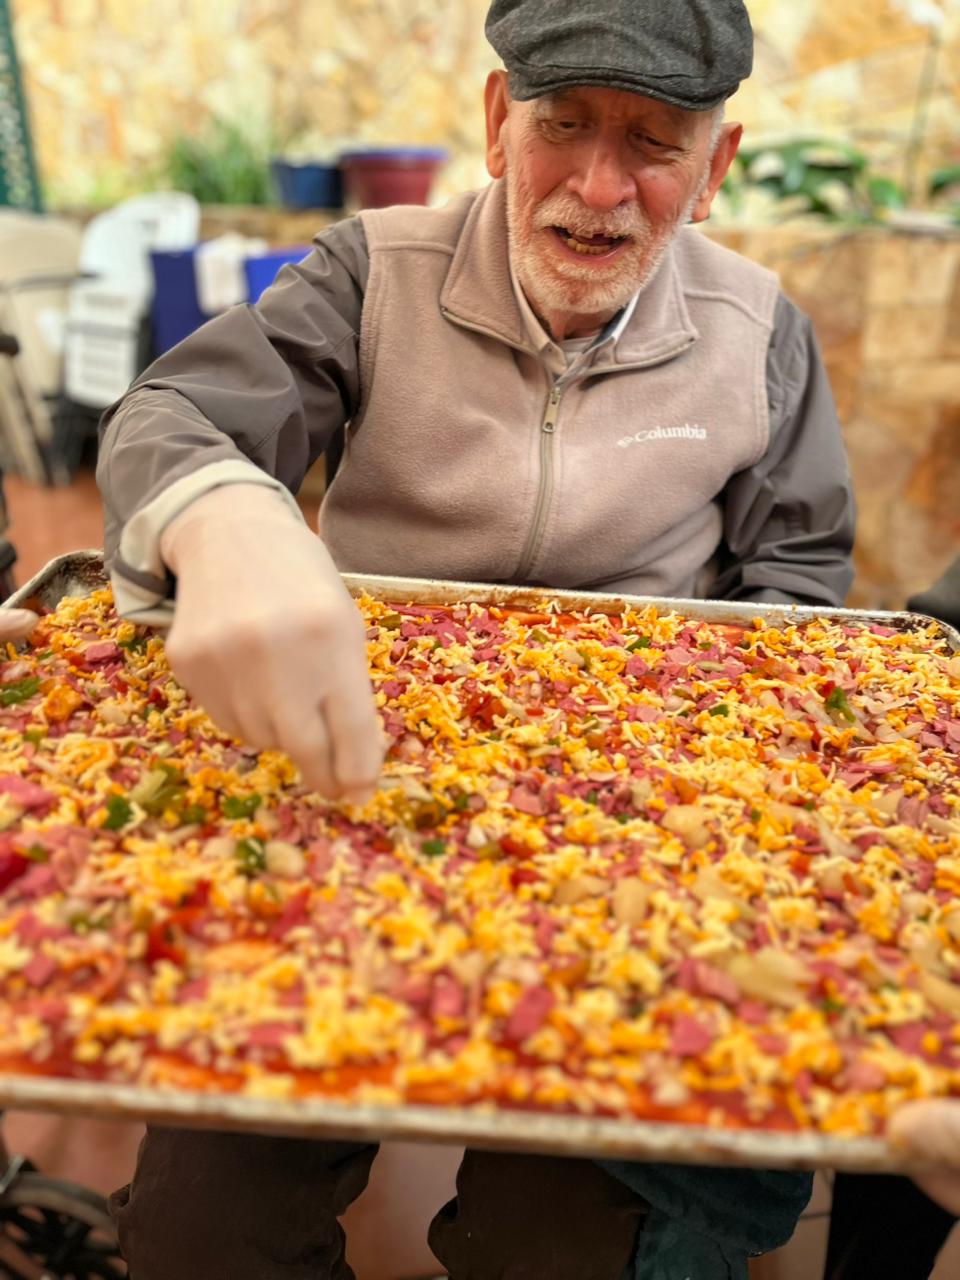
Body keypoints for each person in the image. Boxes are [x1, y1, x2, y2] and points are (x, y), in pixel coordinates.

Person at [91, 1, 862, 1276]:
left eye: (654, 142)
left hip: (634, 833)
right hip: (351, 773)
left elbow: (802, 580)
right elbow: (175, 412)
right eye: (564, 124)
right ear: (500, 121)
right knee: (198, 1232)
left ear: (715, 166)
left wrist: (709, 741)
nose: (599, 189)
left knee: (565, 1245)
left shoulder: (763, 330)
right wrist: (222, 514)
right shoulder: (369, 269)